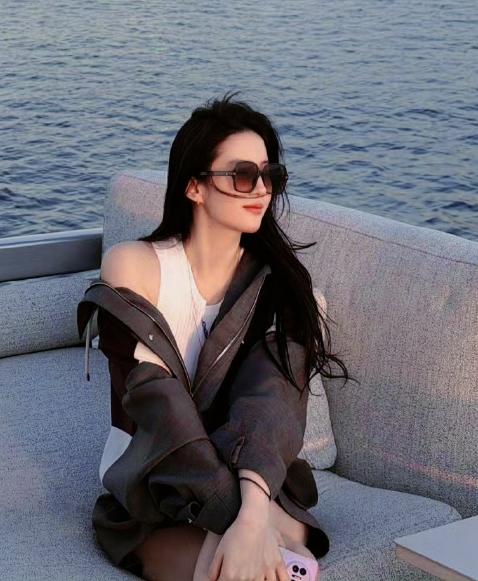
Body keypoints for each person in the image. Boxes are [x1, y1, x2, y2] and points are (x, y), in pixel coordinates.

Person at [77, 92, 356, 581]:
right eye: (243, 175)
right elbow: (158, 408)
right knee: (239, 565)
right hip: (153, 481)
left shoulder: (278, 284)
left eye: (270, 175)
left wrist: (252, 511)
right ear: (194, 187)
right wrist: (247, 521)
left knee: (255, 561)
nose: (261, 189)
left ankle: (266, 528)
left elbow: (271, 401)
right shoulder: (136, 266)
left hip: (253, 475)